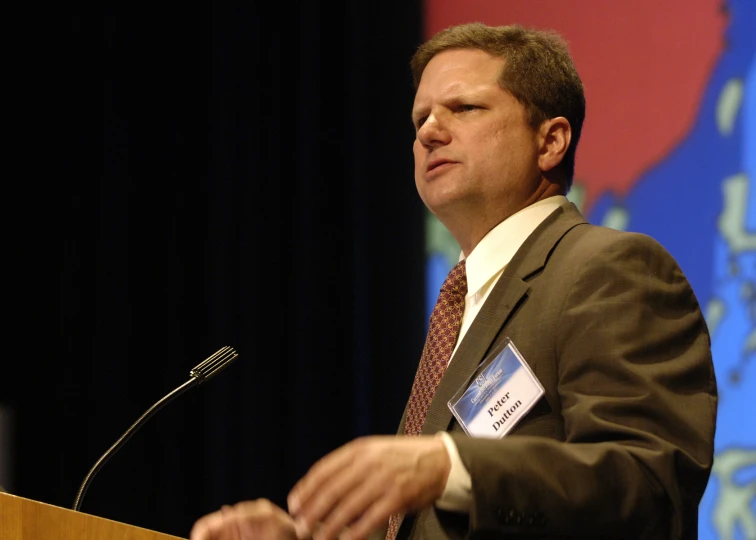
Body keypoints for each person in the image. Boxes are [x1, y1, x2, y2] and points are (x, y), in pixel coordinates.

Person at [190, 23, 717, 540]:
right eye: (420, 118)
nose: (427, 132)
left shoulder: (608, 269)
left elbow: (649, 485)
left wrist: (448, 467)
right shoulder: (465, 305)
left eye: (464, 108)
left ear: (551, 140)